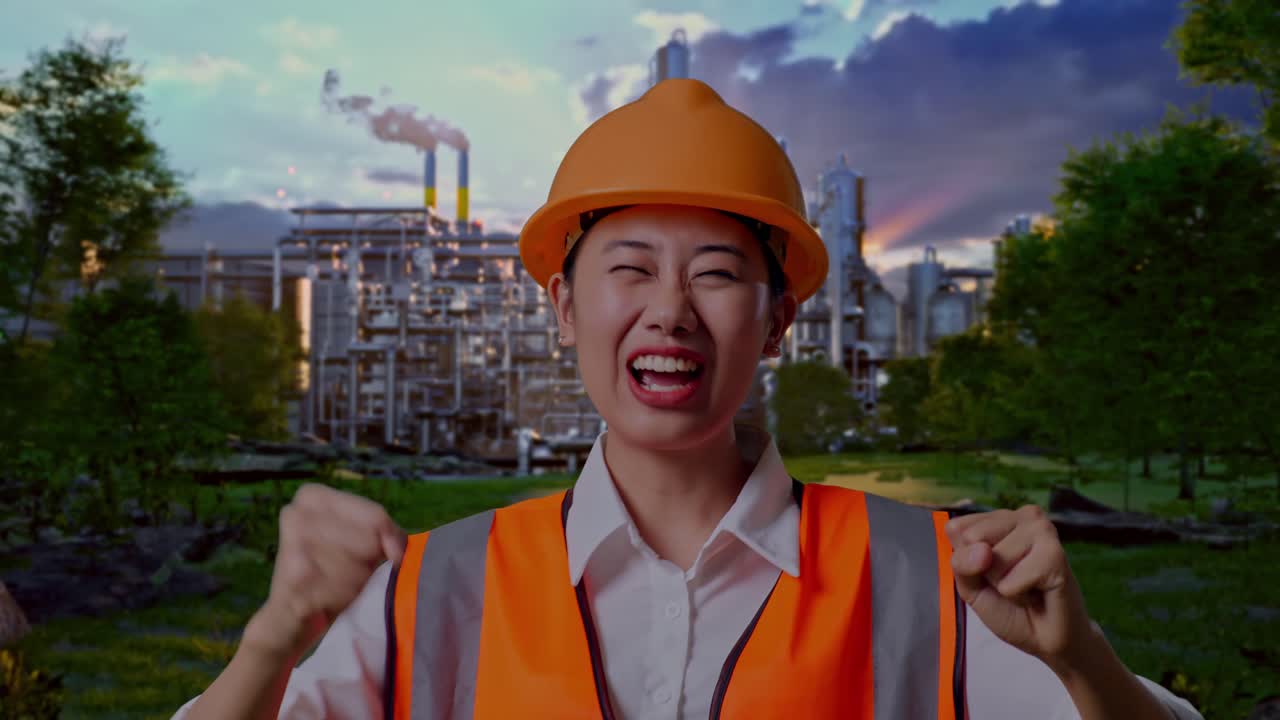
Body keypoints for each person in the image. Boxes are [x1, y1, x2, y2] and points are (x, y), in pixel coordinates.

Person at [174, 79, 1201, 719]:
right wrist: (273, 641)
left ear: (779, 319)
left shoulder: (934, 582)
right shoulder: (429, 587)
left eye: (714, 272)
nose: (668, 309)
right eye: (628, 267)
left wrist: (1081, 661)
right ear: (563, 308)